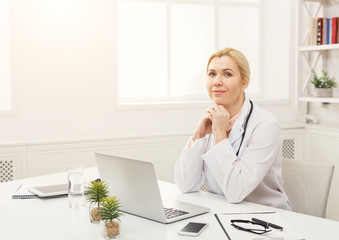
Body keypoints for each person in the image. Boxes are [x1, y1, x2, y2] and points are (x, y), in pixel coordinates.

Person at [174, 47, 291, 210]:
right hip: (224, 212)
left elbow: (237, 191)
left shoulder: (266, 125)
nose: (217, 81)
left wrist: (220, 135)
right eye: (212, 74)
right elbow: (185, 184)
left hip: (266, 217)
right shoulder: (210, 119)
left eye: (227, 74)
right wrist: (198, 135)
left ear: (244, 82)